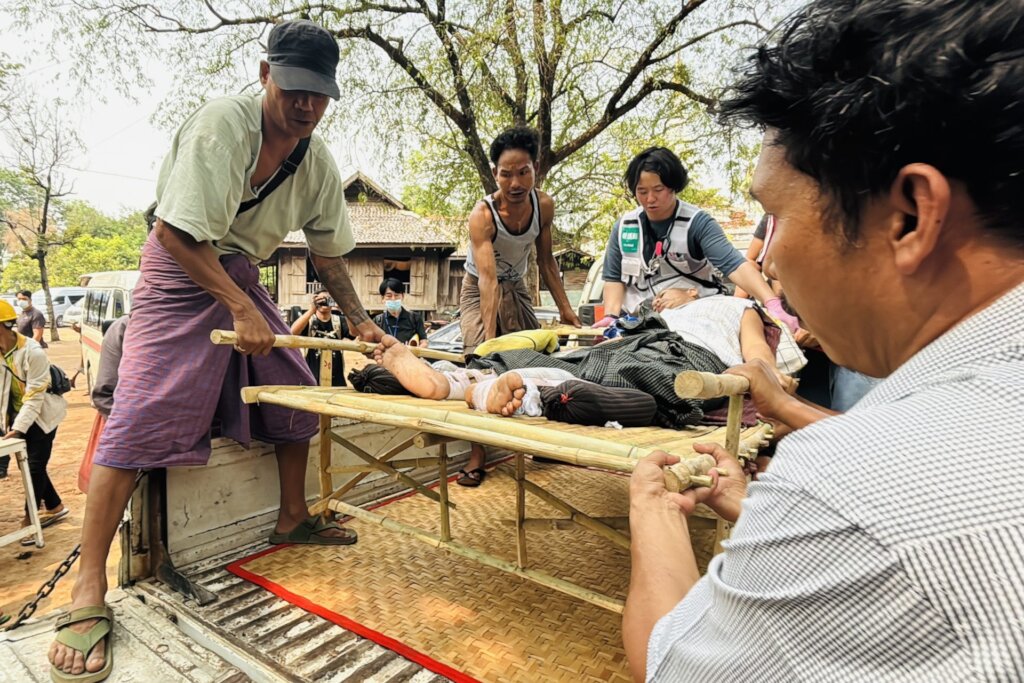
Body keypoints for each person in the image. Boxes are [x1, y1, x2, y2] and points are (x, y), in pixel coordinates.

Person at [623, 1, 1024, 680]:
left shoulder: (843, 481)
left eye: (776, 215)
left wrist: (653, 512)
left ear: (909, 216)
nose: (772, 255)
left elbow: (670, 666)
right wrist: (776, 448)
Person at [49, 19, 386, 683]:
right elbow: (175, 234)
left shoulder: (316, 160)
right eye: (294, 89)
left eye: (318, 94)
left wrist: (362, 322)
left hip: (239, 274)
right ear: (265, 76)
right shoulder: (222, 126)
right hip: (179, 270)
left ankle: (291, 519)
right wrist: (237, 307)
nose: (306, 105)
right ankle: (88, 584)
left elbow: (327, 254)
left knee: (295, 394)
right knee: (136, 416)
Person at [459, 126, 582, 485]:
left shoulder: (543, 205)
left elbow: (546, 261)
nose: (515, 183)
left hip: (517, 286)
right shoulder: (483, 215)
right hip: (478, 288)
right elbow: (487, 280)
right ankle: (478, 454)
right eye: (506, 174)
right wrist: (488, 339)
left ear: (535, 168)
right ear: (494, 174)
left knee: (537, 358)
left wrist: (566, 310)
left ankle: (538, 441)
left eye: (523, 172)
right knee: (481, 364)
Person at [598, 149, 799, 332]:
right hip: (641, 322)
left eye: (658, 190)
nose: (650, 199)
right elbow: (613, 278)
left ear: (674, 187)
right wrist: (611, 316)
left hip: (696, 316)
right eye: (642, 191)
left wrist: (771, 302)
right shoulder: (624, 227)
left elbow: (735, 265)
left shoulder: (697, 223)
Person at [0, 300, 69, 541]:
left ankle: (31, 520)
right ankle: (55, 506)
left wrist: (19, 429)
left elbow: (35, 397)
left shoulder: (33, 352)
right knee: (28, 465)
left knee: (33, 467)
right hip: (16, 415)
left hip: (41, 416)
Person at [290, 289, 352, 386]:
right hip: (312, 378)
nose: (325, 301)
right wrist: (311, 310)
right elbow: (292, 333)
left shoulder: (339, 321)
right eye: (321, 299)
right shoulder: (309, 321)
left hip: (336, 379)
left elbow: (354, 334)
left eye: (328, 299)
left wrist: (345, 310)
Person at [372, 278, 428, 346]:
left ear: (403, 296)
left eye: (396, 295)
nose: (393, 299)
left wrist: (418, 349)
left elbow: (424, 341)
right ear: (382, 298)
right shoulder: (377, 321)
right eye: (389, 296)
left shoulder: (415, 318)